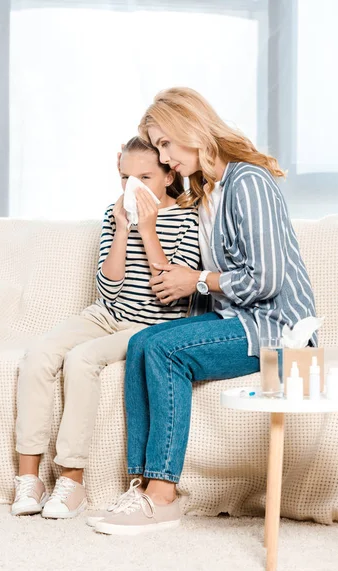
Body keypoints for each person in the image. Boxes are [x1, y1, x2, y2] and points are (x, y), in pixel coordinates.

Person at [92, 87, 317, 536]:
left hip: (278, 329)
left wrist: (196, 279)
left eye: (165, 144)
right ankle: (142, 485)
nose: (165, 157)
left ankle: (163, 496)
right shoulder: (210, 191)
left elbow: (267, 280)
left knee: (166, 352)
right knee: (142, 342)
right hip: (238, 319)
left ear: (189, 130)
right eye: (157, 147)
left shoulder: (248, 181)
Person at [11, 136, 200, 518]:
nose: (135, 186)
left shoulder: (188, 218)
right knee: (38, 355)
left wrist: (147, 229)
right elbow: (109, 285)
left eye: (145, 176)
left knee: (81, 360)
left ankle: (72, 480)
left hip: (150, 325)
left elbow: (170, 293)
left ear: (168, 175)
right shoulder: (113, 215)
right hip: (105, 314)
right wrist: (121, 229)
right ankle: (28, 479)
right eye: (127, 177)